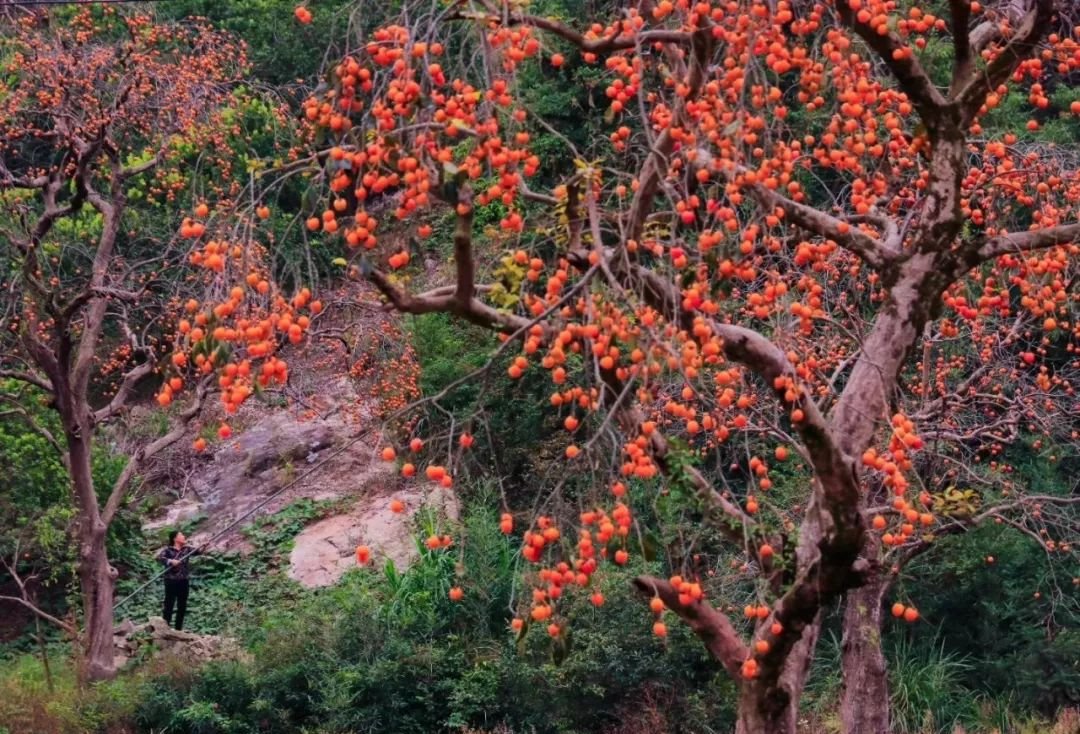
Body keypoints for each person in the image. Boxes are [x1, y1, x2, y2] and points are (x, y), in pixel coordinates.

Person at [157, 530, 199, 630]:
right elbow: (159, 558)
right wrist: (171, 561)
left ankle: (178, 629)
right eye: (181, 535)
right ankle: (165, 629)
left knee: (182, 606)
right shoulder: (168, 550)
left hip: (183, 581)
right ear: (175, 538)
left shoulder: (187, 549)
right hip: (171, 581)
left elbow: (198, 551)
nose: (184, 536)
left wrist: (205, 545)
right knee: (169, 605)